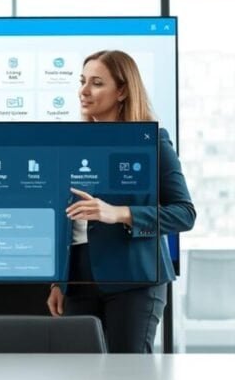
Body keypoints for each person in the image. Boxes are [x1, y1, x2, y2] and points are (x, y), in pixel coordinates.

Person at [47, 50, 196, 353]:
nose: (84, 91)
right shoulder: (69, 144)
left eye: (97, 83)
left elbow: (184, 213)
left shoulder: (153, 141)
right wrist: (57, 281)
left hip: (135, 279)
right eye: (82, 81)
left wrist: (119, 213)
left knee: (128, 377)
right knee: (82, 379)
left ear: (123, 90)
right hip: (77, 279)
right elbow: (60, 217)